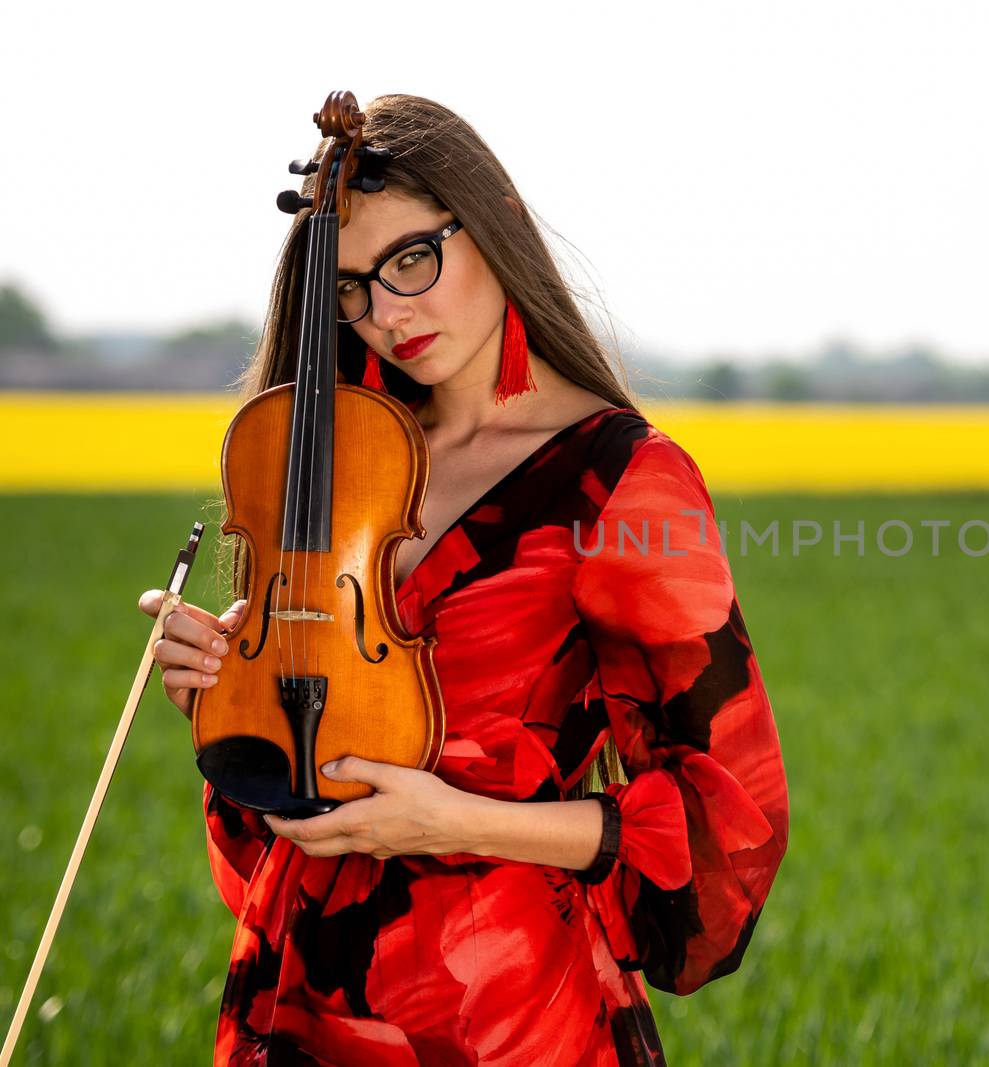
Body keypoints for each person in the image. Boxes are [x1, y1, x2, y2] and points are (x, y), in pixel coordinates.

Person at [137, 94, 789, 1066]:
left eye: (411, 259)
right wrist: (228, 697)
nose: (388, 313)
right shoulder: (336, 462)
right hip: (296, 1003)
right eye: (352, 286)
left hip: (503, 1010)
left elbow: (720, 820)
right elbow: (267, 846)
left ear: (495, 227)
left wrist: (451, 818)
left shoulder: (622, 479)